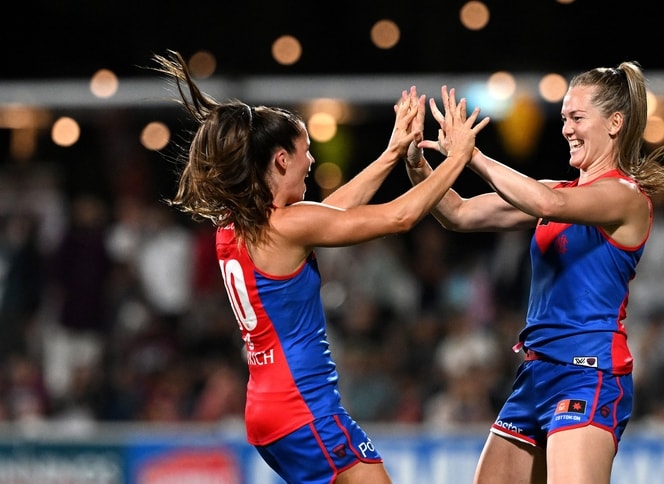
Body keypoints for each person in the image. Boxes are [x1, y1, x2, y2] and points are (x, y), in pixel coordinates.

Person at [150, 50, 489, 484]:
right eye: (306, 151)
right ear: (281, 160)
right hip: (303, 408)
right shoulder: (287, 225)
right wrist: (459, 157)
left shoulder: (236, 226)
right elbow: (399, 217)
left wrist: (390, 154)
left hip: (268, 412)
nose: (311, 162)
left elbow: (329, 214)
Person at [405, 62, 664, 483]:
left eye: (576, 118)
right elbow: (457, 213)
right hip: (537, 373)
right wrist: (416, 163)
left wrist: (472, 155)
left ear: (614, 123)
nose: (566, 129)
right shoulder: (558, 191)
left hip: (588, 373)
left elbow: (546, 206)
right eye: (562, 119)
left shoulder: (624, 196)